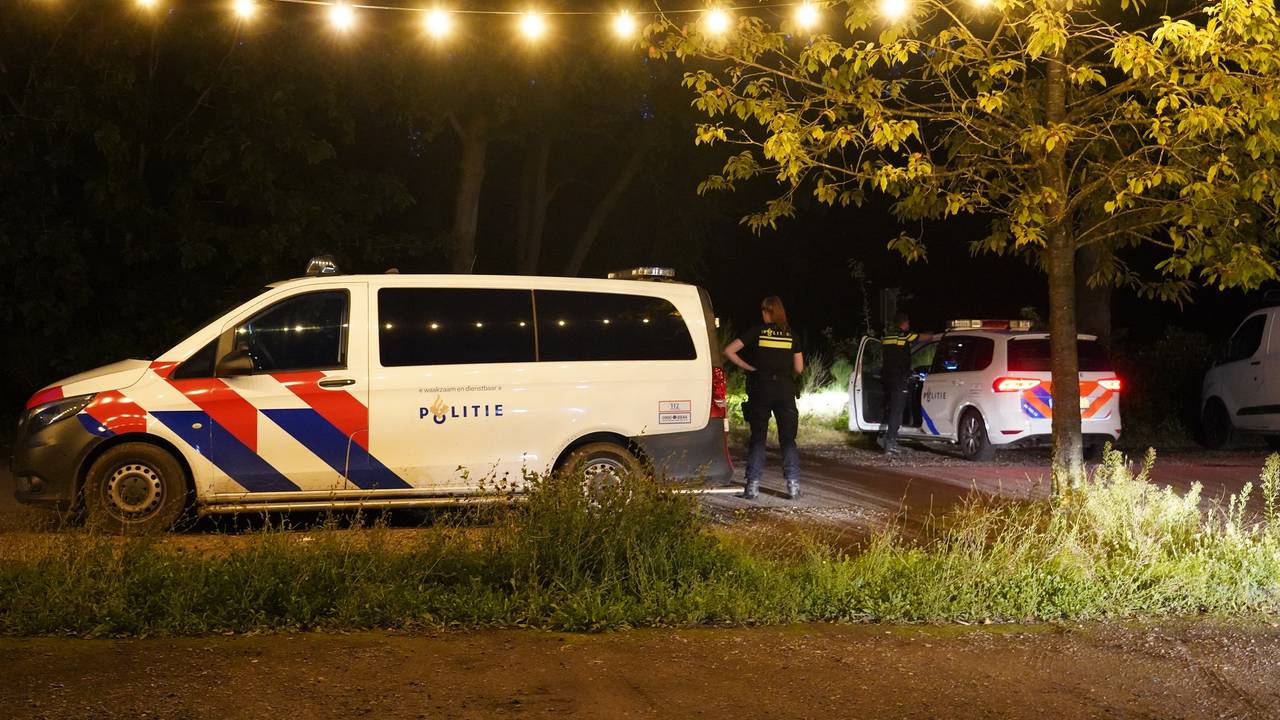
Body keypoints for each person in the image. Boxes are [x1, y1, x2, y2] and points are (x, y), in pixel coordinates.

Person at [723, 296, 804, 500]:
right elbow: (799, 368)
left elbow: (729, 351)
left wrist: (751, 368)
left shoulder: (757, 332)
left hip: (762, 388)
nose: (762, 314)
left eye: (764, 311)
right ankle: (793, 487)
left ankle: (752, 487)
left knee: (758, 438)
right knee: (788, 439)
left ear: (769, 312)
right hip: (785, 390)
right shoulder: (791, 335)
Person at [880, 311, 931, 454]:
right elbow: (921, 338)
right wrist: (933, 335)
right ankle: (890, 442)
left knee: (891, 408)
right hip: (899, 378)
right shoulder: (904, 335)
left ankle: (883, 438)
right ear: (903, 323)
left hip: (887, 377)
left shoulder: (887, 337)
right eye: (908, 322)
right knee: (897, 410)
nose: (909, 324)